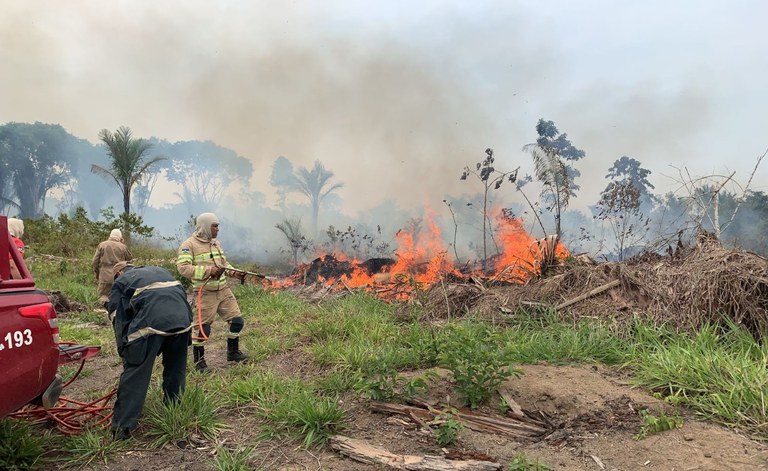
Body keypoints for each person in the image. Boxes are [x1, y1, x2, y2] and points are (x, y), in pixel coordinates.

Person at [107, 261, 193, 440]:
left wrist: (125, 350)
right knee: (176, 368)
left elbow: (118, 318)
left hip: (153, 324)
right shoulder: (160, 271)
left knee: (136, 372)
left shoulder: (121, 281)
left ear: (119, 273)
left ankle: (122, 428)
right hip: (182, 322)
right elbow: (180, 298)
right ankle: (173, 409)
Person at [176, 212, 248, 371]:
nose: (218, 229)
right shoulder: (189, 245)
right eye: (215, 226)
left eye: (218, 226)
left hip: (223, 290)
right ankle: (199, 363)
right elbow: (183, 268)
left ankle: (233, 352)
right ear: (205, 226)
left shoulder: (216, 243)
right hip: (205, 292)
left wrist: (235, 273)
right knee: (202, 329)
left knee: (237, 321)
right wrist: (208, 271)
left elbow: (223, 264)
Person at [92, 229, 133, 308]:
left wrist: (97, 273)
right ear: (120, 237)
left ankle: (103, 313)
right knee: (118, 296)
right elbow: (129, 261)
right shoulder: (123, 247)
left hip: (104, 275)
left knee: (103, 297)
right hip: (119, 275)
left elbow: (95, 261)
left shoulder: (102, 245)